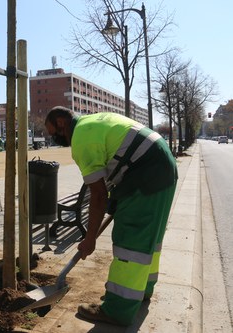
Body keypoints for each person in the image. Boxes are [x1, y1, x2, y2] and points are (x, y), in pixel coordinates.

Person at [45, 107, 178, 326]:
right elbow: (116, 165)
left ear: (61, 122)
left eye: (52, 133)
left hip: (146, 174)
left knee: (130, 241)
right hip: (162, 166)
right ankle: (141, 289)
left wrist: (90, 239)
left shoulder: (81, 139)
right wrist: (117, 199)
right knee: (148, 238)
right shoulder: (92, 122)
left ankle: (118, 309)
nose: (53, 138)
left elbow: (97, 196)